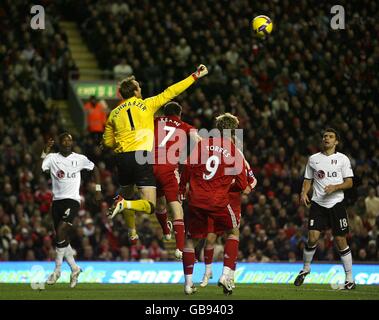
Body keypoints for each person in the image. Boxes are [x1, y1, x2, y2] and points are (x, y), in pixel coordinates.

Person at [104, 65, 208, 245]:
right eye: (139, 87)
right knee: (149, 205)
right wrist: (195, 76)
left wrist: (119, 142)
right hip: (141, 157)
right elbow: (171, 91)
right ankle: (124, 205)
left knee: (127, 193)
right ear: (135, 91)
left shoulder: (113, 114)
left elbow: (107, 142)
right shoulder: (146, 105)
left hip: (122, 159)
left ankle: (132, 232)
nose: (141, 88)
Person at [180, 113, 251, 295]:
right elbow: (243, 185)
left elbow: (187, 166)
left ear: (217, 128)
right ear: (233, 130)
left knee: (191, 240)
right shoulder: (234, 151)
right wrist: (229, 184)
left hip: (196, 200)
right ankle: (225, 275)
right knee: (233, 232)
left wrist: (183, 188)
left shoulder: (202, 144)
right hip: (218, 201)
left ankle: (188, 284)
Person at [294, 128, 355, 290]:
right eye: (325, 136)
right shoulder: (313, 159)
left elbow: (349, 182)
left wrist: (335, 187)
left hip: (337, 203)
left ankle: (349, 278)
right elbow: (308, 179)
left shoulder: (343, 159)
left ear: (336, 142)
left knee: (340, 240)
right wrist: (303, 192)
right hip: (318, 204)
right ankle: (305, 269)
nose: (327, 138)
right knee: (312, 237)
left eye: (330, 136)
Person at [39, 133, 102, 288]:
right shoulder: (53, 158)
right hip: (57, 201)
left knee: (61, 230)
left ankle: (57, 271)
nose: (68, 143)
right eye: (64, 140)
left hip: (73, 200)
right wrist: (44, 152)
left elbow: (95, 169)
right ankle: (74, 269)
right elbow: (39, 169)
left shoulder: (79, 158)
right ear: (59, 143)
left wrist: (98, 190)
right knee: (62, 238)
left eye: (70, 140)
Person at [197, 159, 257, 288]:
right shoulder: (217, 159)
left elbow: (253, 179)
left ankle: (230, 276)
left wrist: (249, 187)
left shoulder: (241, 161)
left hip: (233, 203)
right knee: (210, 237)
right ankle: (208, 273)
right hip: (216, 202)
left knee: (233, 234)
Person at [153, 102, 201, 260]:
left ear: (164, 113)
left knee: (159, 203)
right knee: (176, 207)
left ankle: (166, 232)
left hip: (150, 166)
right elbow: (198, 140)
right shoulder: (185, 126)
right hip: (168, 168)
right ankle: (179, 248)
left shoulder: (153, 121)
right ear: (179, 114)